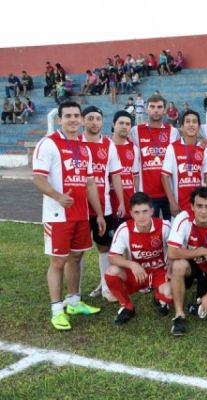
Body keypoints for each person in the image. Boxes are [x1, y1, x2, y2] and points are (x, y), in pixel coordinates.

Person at [32, 101, 105, 330]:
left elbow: (90, 183)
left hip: (81, 214)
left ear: (81, 120)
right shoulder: (48, 144)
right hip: (57, 215)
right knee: (58, 261)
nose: (73, 119)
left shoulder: (84, 147)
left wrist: (100, 214)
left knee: (76, 257)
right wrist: (58, 196)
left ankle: (73, 301)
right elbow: (38, 178)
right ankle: (56, 310)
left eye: (76, 116)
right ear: (60, 119)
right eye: (68, 116)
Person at [167, 187, 207, 335]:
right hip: (191, 265)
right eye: (199, 206)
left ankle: (200, 299)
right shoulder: (183, 218)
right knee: (178, 265)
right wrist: (202, 251)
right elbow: (172, 252)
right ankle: (179, 316)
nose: (203, 211)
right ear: (192, 206)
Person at [80, 106, 125, 302]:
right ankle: (76, 292)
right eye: (90, 118)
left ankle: (107, 287)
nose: (94, 122)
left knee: (104, 248)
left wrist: (121, 201)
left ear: (102, 121)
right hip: (79, 207)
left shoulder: (108, 144)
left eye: (98, 118)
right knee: (77, 251)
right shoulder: (75, 143)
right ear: (83, 121)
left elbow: (115, 175)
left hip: (103, 206)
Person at [106, 192, 173, 326]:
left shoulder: (165, 226)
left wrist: (170, 270)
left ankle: (159, 295)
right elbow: (112, 257)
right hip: (137, 273)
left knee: (169, 295)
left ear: (152, 211)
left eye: (145, 211)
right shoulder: (124, 229)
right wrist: (131, 264)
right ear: (131, 213)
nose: (141, 216)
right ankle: (127, 306)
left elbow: (175, 251)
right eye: (137, 212)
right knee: (112, 271)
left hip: (160, 273)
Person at [130, 94, 180, 220]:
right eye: (152, 107)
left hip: (170, 193)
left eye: (159, 107)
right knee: (151, 232)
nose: (156, 110)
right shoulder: (136, 131)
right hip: (147, 194)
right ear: (146, 109)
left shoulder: (173, 132)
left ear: (164, 110)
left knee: (171, 231)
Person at [162, 109, 207, 216]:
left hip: (199, 208)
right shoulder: (172, 147)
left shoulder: (205, 149)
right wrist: (172, 202)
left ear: (199, 127)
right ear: (182, 126)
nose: (191, 125)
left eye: (194, 122)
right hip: (179, 206)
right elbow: (164, 176)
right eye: (188, 121)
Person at [110, 111, 140, 223]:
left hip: (129, 204)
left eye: (128, 124)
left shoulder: (134, 149)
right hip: (110, 204)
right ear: (113, 124)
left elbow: (135, 176)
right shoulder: (106, 145)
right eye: (121, 123)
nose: (124, 126)